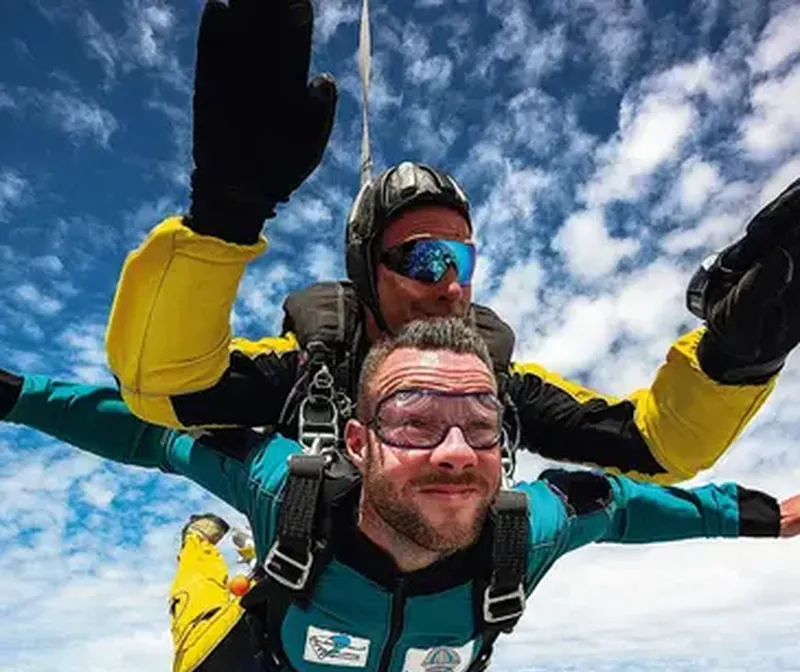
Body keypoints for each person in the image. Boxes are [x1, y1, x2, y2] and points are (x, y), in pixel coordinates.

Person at [2, 318, 798, 672]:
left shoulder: (526, 532)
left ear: (505, 448)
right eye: (413, 419)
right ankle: (205, 548)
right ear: (358, 442)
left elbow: (623, 504)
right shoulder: (289, 488)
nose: (454, 450)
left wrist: (765, 516)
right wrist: (16, 397)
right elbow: (152, 435)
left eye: (480, 424)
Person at [104, 0, 800, 485]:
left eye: (461, 258)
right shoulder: (308, 370)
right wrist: (224, 218)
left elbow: (654, 445)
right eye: (422, 258)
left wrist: (735, 360)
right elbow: (160, 388)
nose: (450, 284)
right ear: (364, 271)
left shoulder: (493, 386)